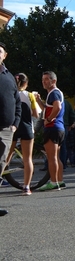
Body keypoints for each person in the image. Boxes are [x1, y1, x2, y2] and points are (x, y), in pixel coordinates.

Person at [36, 71, 65, 191]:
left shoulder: (54, 93)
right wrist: (39, 101)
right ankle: (59, 180)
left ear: (54, 81)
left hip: (52, 128)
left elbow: (57, 107)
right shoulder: (54, 93)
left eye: (47, 79)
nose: (44, 82)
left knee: (51, 157)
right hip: (59, 128)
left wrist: (49, 119)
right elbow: (48, 109)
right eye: (43, 79)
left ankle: (53, 182)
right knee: (56, 157)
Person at [0, 44, 20, 204]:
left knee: (0, 164)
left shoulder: (9, 77)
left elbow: (17, 102)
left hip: (6, 129)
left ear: (4, 55)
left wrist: (15, 124)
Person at [9, 73, 35, 194]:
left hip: (13, 126)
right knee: (27, 159)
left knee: (5, 157)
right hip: (27, 127)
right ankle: (26, 187)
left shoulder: (11, 94)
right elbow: (36, 114)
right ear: (26, 83)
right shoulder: (30, 95)